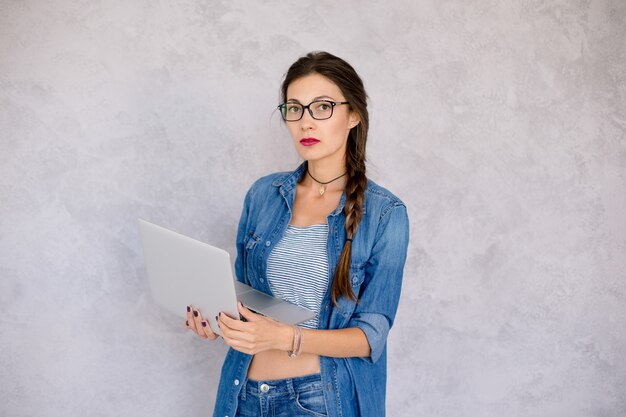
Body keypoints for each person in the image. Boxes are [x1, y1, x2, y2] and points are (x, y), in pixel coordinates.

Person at [185, 51, 409, 417]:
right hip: (241, 395)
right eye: (294, 108)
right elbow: (245, 302)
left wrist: (286, 338)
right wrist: (216, 321)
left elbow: (371, 336)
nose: (306, 122)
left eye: (322, 107)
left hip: (318, 400)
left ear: (353, 115)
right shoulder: (263, 195)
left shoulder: (385, 214)